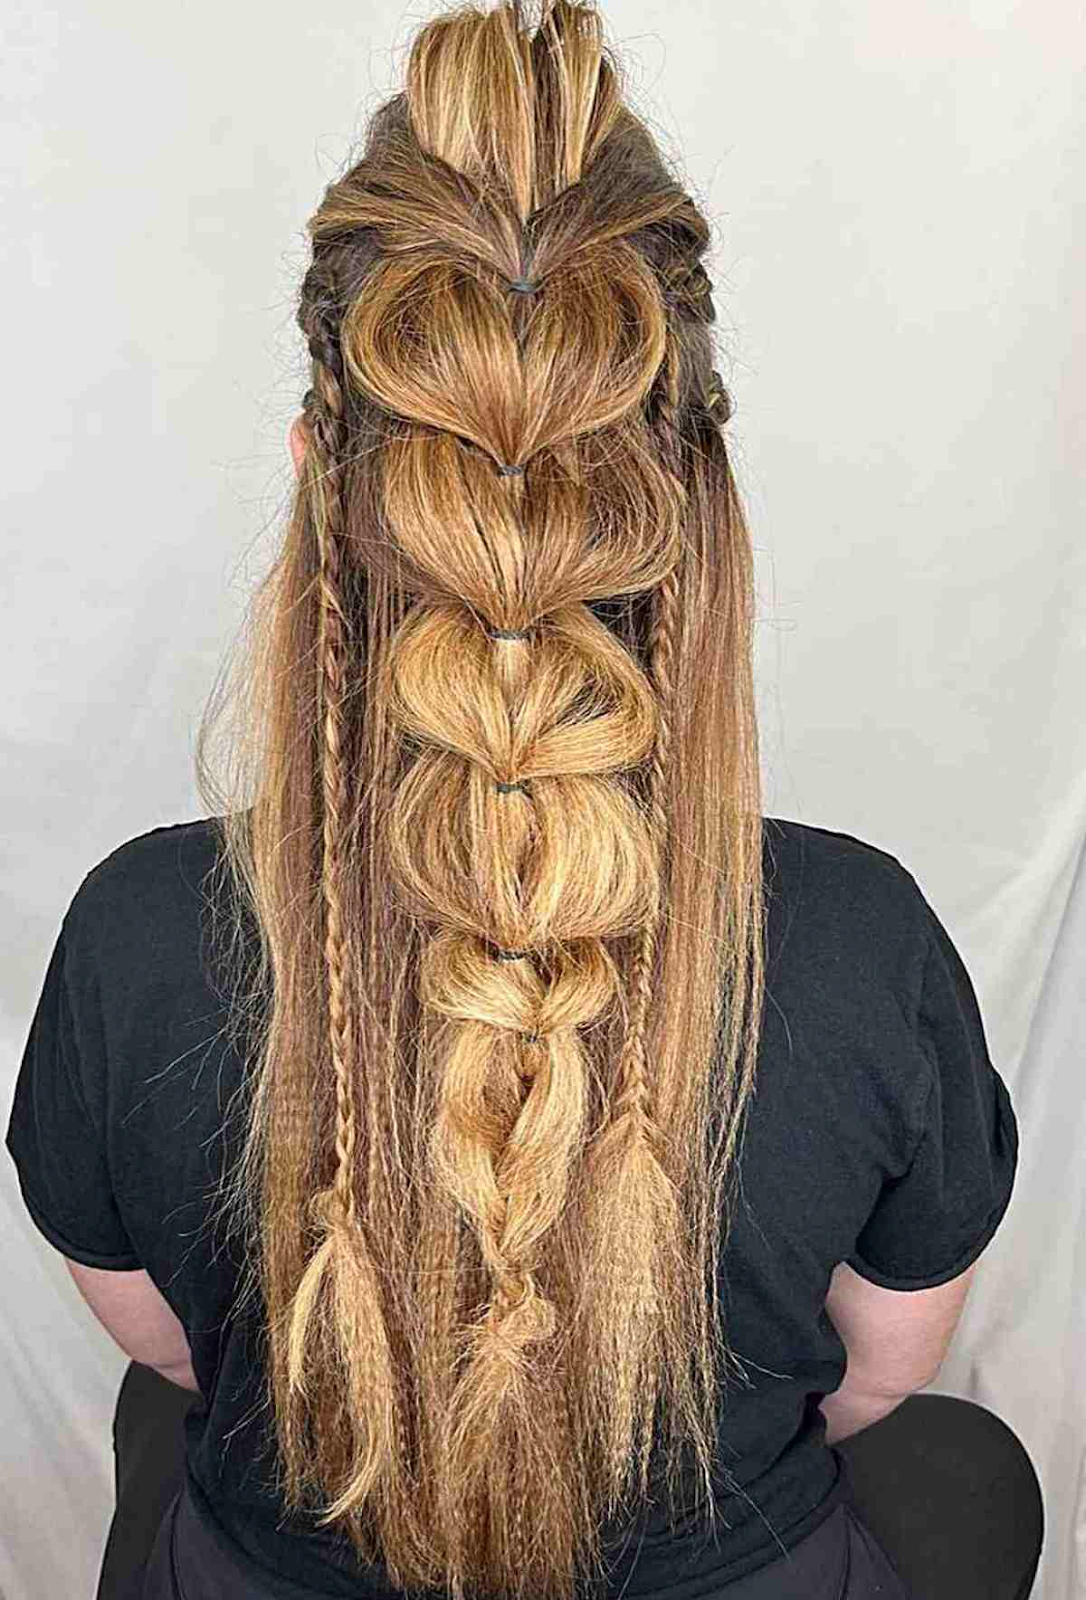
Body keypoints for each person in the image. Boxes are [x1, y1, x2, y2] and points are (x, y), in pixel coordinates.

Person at [5, 3, 1042, 1598]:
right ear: (689, 504)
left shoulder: (139, 934)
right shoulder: (853, 944)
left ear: (314, 469)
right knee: (966, 1469)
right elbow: (877, 1377)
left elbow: (175, 1351)